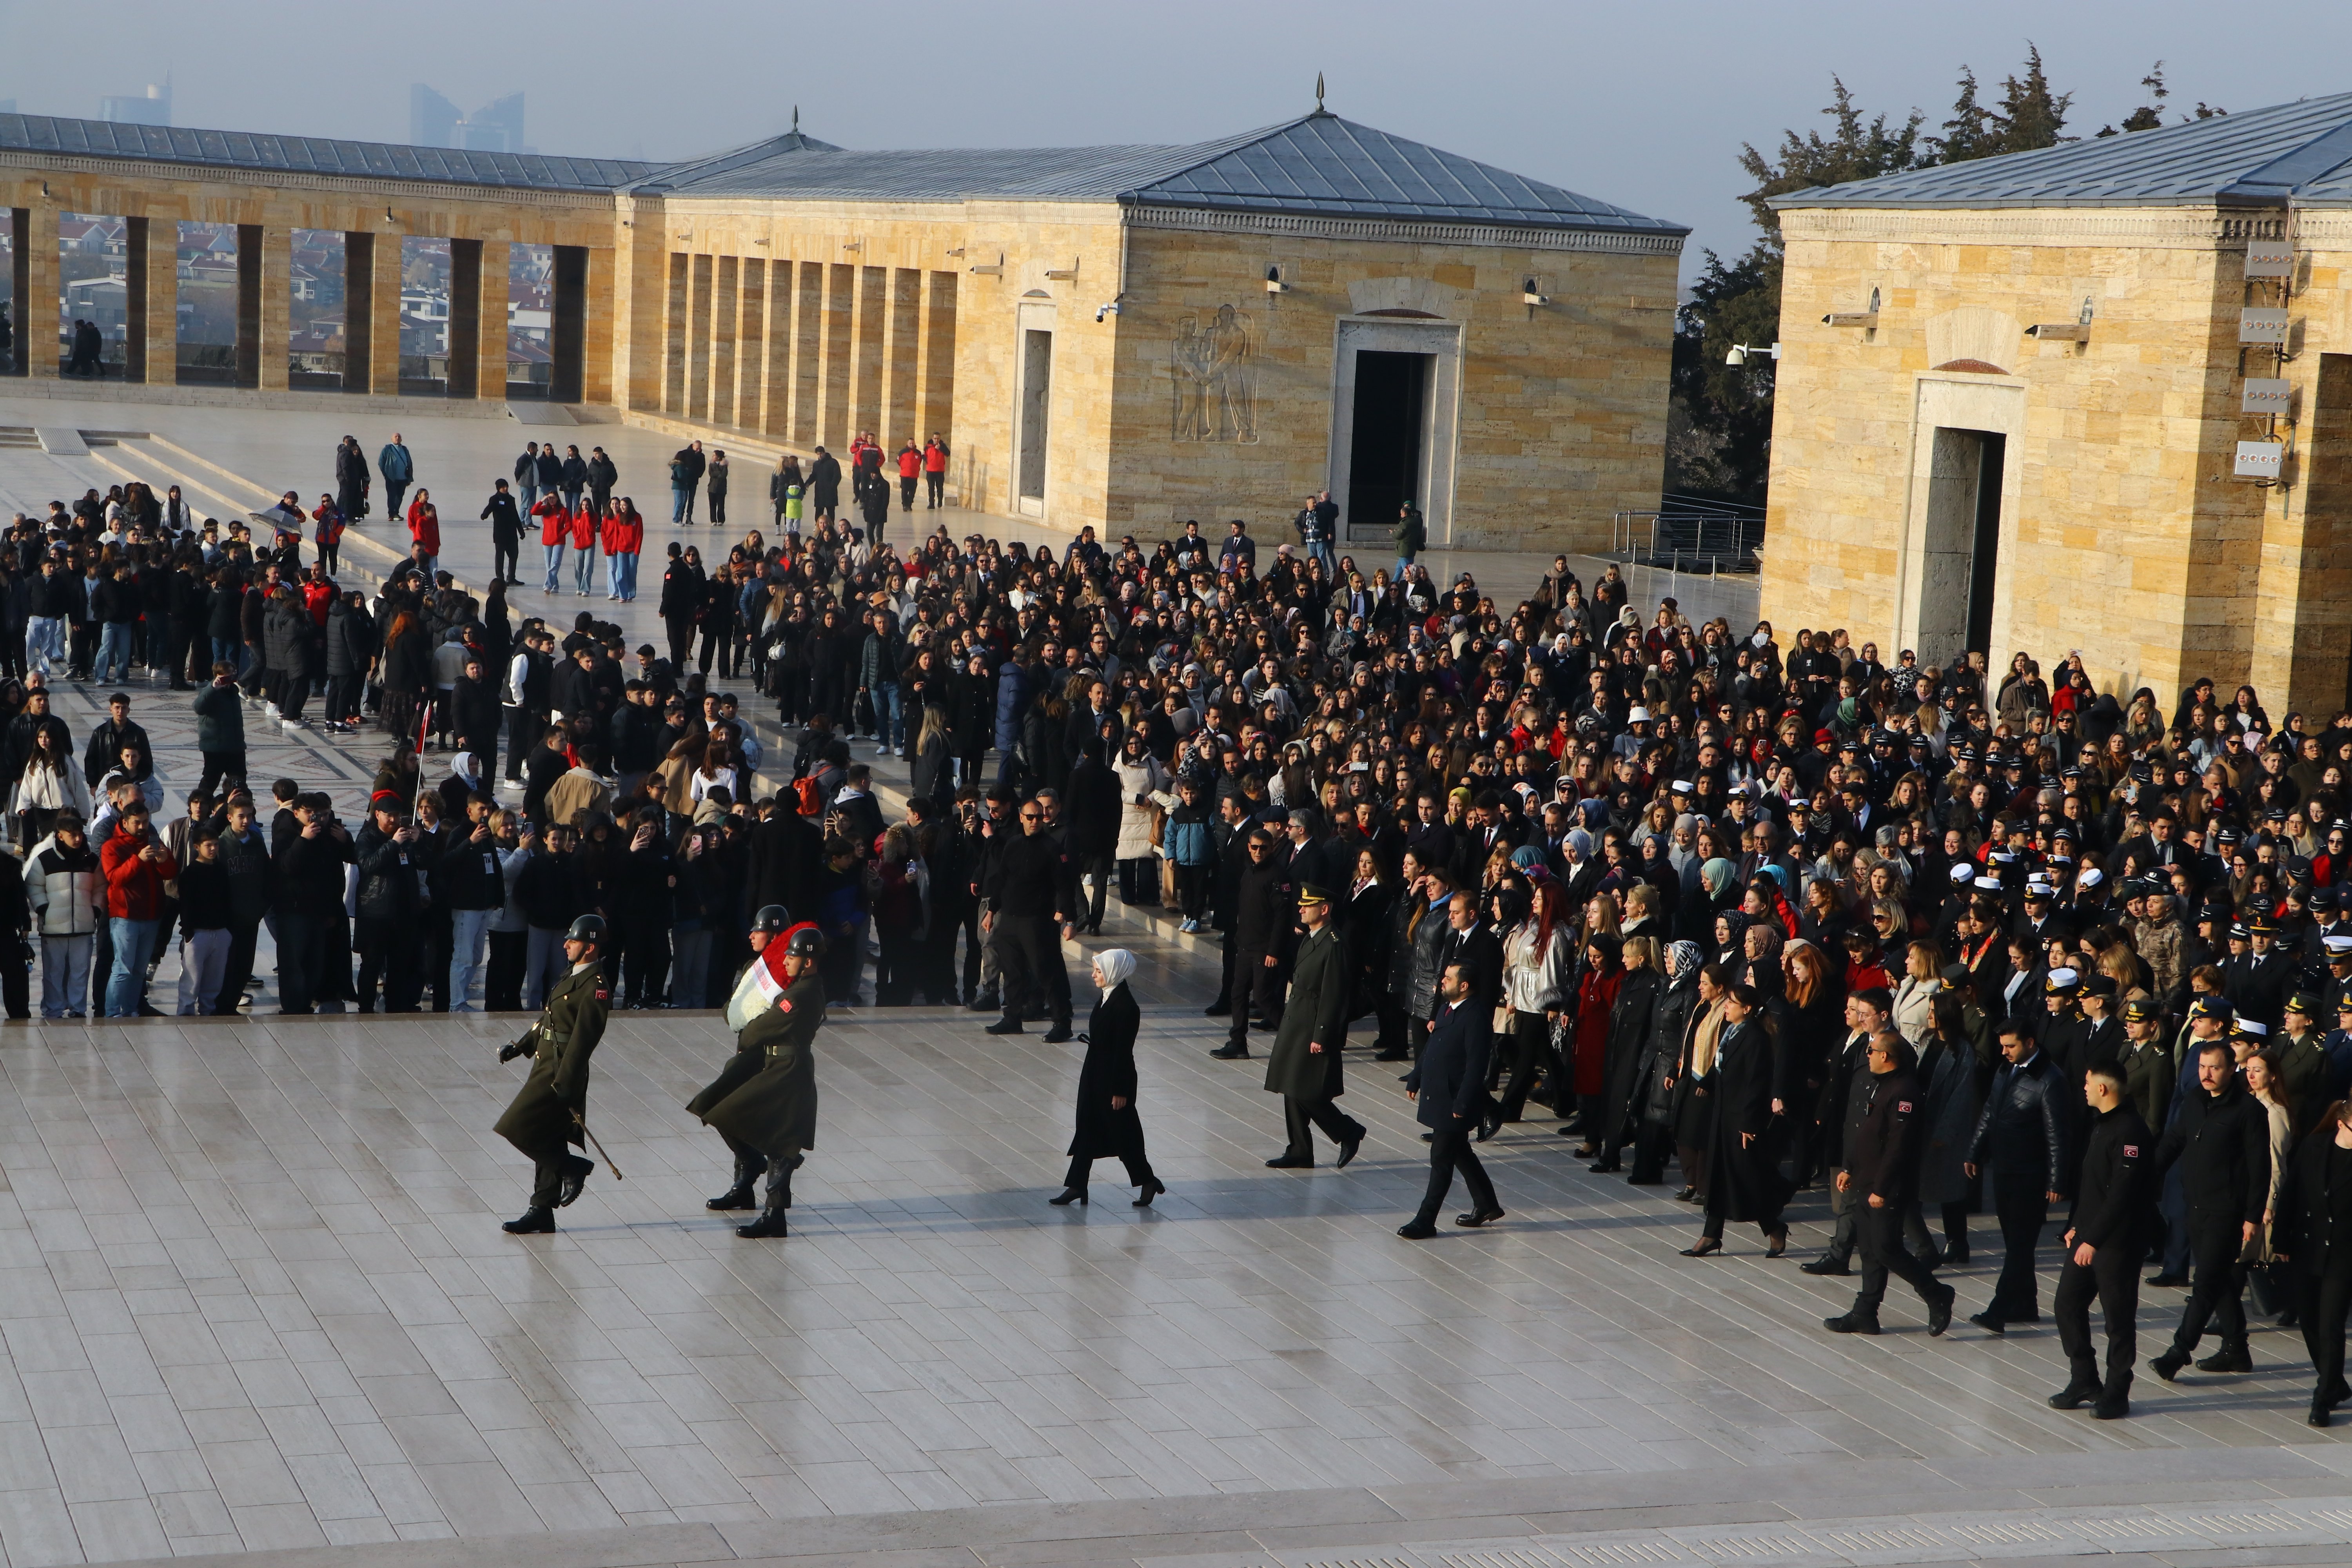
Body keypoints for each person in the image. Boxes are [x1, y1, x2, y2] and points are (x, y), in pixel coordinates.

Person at [690, 912, 825, 1239]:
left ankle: (774, 1215)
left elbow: (759, 1030)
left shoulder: (801, 995)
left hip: (787, 1070)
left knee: (780, 1143)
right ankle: (753, 1176)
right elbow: (735, 1011)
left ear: (807, 962)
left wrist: (752, 1025)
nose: (787, 960)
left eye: (792, 956)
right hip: (775, 1065)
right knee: (721, 1108)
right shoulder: (789, 986)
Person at [2149, 1035, 2272, 1379]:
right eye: (2202, 1067)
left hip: (2227, 1211)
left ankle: (2178, 1352)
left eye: (2215, 1068)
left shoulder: (2249, 1112)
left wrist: (2252, 1216)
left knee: (2205, 1283)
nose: (2207, 1074)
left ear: (2232, 1069)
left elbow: (2260, 1168)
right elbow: (2174, 1140)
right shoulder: (2194, 1100)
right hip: (2197, 1206)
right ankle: (2237, 1350)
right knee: (2220, 1281)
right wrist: (2146, 1174)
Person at [1823, 1031, 1957, 1336]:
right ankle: (1865, 1313)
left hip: (1887, 1187)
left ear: (1886, 1056)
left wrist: (1882, 1188)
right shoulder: (1884, 1085)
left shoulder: (1904, 1091)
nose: (1867, 1055)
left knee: (1887, 1248)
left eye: (1871, 1051)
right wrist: (1851, 1168)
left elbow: (1899, 1145)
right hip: (1867, 1182)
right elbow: (1870, 1134)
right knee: (1870, 1249)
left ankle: (1936, 1293)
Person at [493, 913, 611, 1234]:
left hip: (560, 1070)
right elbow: (549, 1020)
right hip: (545, 1063)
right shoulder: (572, 974)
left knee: (516, 1127)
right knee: (549, 1134)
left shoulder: (596, 986)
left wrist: (566, 1079)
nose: (565, 945)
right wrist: (520, 1046)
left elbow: (584, 1039)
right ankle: (542, 1209)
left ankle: (573, 1166)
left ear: (589, 947)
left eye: (572, 941)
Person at [2049, 1059, 2153, 1420]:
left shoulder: (2130, 1131)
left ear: (2103, 1089)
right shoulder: (2101, 1125)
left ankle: (2117, 1392)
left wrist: (2092, 1239)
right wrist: (2076, 1226)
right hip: (2089, 1236)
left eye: (2088, 1083)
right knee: (2067, 1305)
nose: (2084, 1088)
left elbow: (2122, 1195)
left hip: (2117, 1243)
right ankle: (2085, 1379)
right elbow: (2092, 1187)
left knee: (2118, 1319)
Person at [1964, 1018, 2066, 1334]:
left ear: (2031, 1044)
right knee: (2014, 1242)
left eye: (2011, 1046)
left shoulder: (2049, 1079)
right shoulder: (2005, 1070)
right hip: (2005, 1168)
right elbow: (1991, 1111)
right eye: (2003, 1046)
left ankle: (1999, 1309)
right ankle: (2026, 1304)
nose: (2004, 1052)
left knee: (2021, 1245)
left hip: (2030, 1175)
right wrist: (1975, 1151)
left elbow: (2057, 1135)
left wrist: (2056, 1180)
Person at [1681, 979, 1790, 1256]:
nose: (1726, 1007)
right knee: (1720, 1175)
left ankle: (1773, 1226)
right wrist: (1707, 1082)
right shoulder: (1733, 1030)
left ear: (1748, 1008)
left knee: (1745, 1177)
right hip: (1723, 1116)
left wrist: (1749, 1124)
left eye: (1732, 1003)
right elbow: (1722, 1064)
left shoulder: (1755, 1037)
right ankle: (1711, 1235)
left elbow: (1756, 1083)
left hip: (1741, 1120)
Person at [1263, 883, 1366, 1169]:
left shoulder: (1334, 944)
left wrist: (1321, 1034)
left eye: (1307, 905)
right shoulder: (1312, 938)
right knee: (1291, 1085)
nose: (1301, 908)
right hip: (1297, 1021)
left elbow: (1334, 995)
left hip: (1312, 1026)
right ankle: (1299, 1149)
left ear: (1324, 909)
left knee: (1304, 1089)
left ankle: (1347, 1131)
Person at [1051, 948, 1164, 1207]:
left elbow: (1124, 1052)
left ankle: (1148, 1181)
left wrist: (1120, 1090)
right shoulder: (1107, 997)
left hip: (1113, 1081)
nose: (1093, 975)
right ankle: (1077, 1186)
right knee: (1088, 1131)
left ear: (1115, 971)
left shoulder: (1126, 1007)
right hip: (1095, 1075)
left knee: (1124, 1136)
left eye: (1099, 971)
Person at [1400, 959, 1503, 1237]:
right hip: (1441, 1096)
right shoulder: (1448, 1009)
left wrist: (1463, 1103)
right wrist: (1416, 1076)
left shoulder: (1476, 1017)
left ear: (1464, 985)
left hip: (1455, 1100)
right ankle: (1487, 1204)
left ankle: (1425, 1220)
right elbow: (1432, 1048)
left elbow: (1476, 1066)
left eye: (1449, 977)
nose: (1443, 981)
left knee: (1441, 1157)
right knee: (1460, 1152)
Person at [2276, 1098, 2352, 1426]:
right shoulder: (2315, 1146)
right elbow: (2291, 1191)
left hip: (2344, 1254)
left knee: (2331, 1326)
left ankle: (2322, 1399)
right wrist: (2281, 1238)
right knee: (2308, 1320)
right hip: (2308, 1248)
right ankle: (2334, 1382)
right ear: (2342, 1123)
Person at [982, 793, 1073, 1041]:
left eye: (1040, 817)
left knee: (1047, 971)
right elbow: (1002, 879)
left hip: (1038, 921)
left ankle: (1062, 1021)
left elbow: (1065, 885)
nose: (1036, 821)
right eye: (1030, 817)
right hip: (1010, 919)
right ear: (1021, 818)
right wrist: (992, 910)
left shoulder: (1052, 848)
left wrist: (1068, 918)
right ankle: (1012, 1018)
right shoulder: (1012, 844)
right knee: (1012, 972)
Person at [378, 431, 413, 520]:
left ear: (401, 439)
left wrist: (409, 477)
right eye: (396, 437)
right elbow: (381, 462)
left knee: (400, 496)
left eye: (399, 437)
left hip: (403, 478)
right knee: (392, 496)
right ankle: (391, 514)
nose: (397, 438)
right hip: (392, 478)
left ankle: (396, 512)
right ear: (392, 439)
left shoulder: (405, 449)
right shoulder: (387, 449)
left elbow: (409, 463)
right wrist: (386, 474)